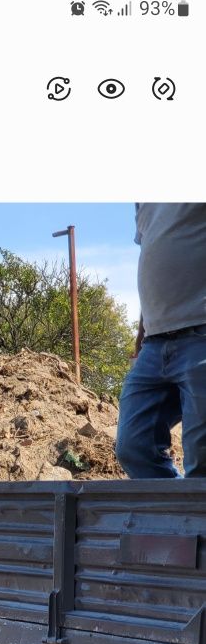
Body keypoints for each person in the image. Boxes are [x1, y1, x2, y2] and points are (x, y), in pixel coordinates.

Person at [115, 203, 206, 478]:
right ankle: (177, 516)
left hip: (201, 333)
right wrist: (141, 338)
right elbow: (154, 260)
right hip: (154, 345)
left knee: (202, 456)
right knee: (134, 445)